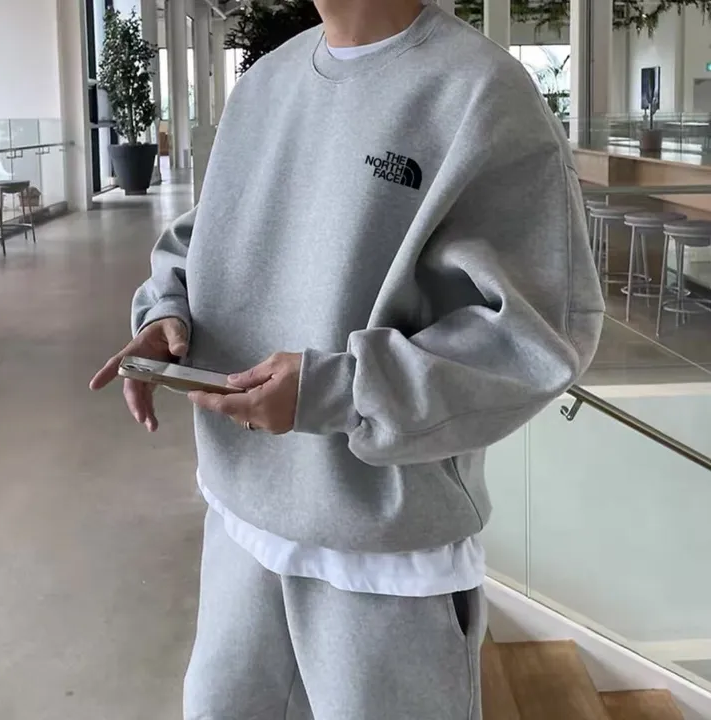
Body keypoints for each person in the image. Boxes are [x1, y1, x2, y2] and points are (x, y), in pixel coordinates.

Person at [90, 1, 604, 718]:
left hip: (384, 558)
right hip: (239, 521)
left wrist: (338, 390)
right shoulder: (265, 84)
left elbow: (536, 334)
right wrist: (166, 312)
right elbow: (199, 237)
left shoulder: (481, 93)